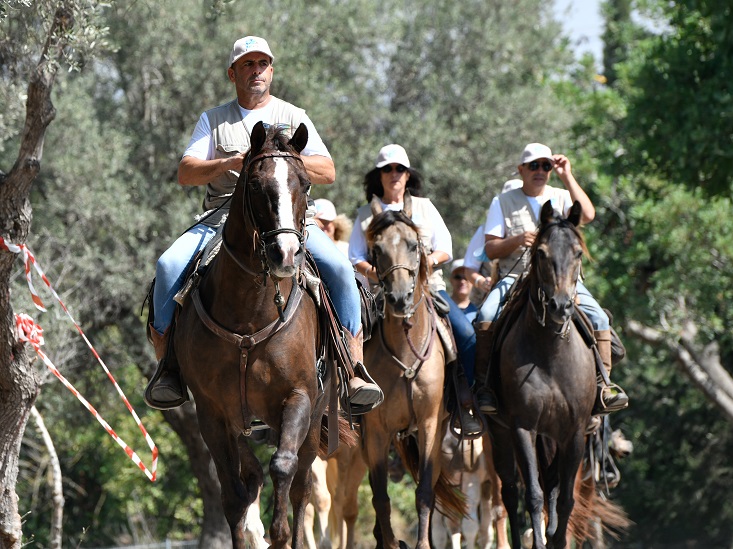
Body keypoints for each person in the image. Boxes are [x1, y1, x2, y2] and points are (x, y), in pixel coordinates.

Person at [145, 36, 382, 413]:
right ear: (233, 73)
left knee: (339, 268)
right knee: (168, 266)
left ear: (271, 70)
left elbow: (329, 170)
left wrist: (282, 160)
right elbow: (186, 172)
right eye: (247, 65)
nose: (256, 71)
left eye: (262, 64)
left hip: (289, 219)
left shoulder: (294, 115)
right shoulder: (213, 120)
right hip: (223, 216)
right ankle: (168, 367)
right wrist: (230, 163)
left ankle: (354, 366)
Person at [474, 143, 628, 415]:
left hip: (563, 280)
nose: (540, 171)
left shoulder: (561, 195)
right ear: (521, 170)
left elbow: (588, 215)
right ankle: (484, 386)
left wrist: (566, 175)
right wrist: (517, 240)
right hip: (517, 277)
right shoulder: (503, 201)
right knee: (485, 314)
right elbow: (490, 249)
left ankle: (605, 386)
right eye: (534, 166)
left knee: (600, 319)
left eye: (546, 166)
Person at [349, 144, 483, 437]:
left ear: (408, 175)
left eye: (399, 169)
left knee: (466, 334)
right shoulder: (365, 214)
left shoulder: (425, 207)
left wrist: (426, 264)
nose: (394, 174)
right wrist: (374, 273)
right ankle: (348, 399)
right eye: (388, 169)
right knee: (350, 331)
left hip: (428, 288)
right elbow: (354, 256)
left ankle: (465, 402)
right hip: (380, 293)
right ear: (379, 175)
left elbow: (446, 248)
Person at [462, 179, 523, 306]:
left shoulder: (531, 229)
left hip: (523, 292)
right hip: (483, 299)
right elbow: (469, 268)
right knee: (466, 326)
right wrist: (482, 282)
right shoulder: (484, 231)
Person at [449, 259, 478, 323]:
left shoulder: (478, 313)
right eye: (458, 277)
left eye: (466, 277)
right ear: (451, 280)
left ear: (472, 281)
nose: (462, 281)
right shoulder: (442, 308)